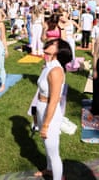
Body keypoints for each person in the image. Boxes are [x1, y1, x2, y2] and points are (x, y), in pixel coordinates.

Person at [34, 38, 72, 180]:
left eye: (54, 44)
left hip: (50, 112)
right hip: (41, 107)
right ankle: (49, 170)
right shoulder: (48, 65)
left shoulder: (56, 70)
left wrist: (45, 125)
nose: (49, 43)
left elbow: (54, 100)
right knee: (46, 145)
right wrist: (35, 113)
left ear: (59, 51)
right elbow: (40, 92)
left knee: (52, 149)